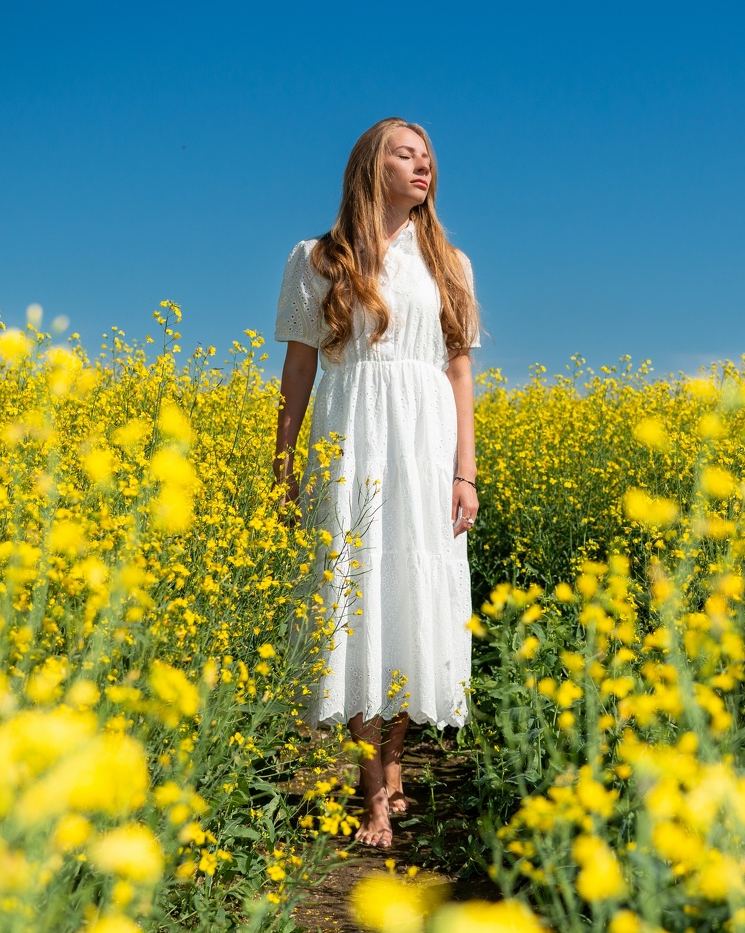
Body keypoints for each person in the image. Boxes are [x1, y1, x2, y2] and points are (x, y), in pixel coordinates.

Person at [272, 117, 482, 848]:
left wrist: (466, 473)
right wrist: (284, 461)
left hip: (424, 440)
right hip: (349, 426)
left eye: (428, 157)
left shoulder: (450, 262)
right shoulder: (316, 257)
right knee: (356, 593)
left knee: (412, 596)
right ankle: (372, 794)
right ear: (371, 166)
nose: (424, 165)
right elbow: (299, 366)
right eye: (406, 153)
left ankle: (393, 765)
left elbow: (459, 371)